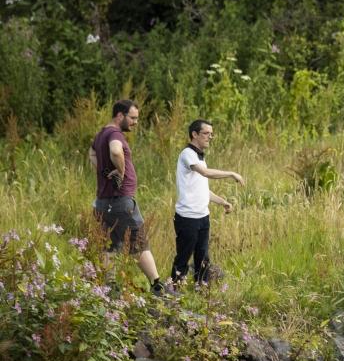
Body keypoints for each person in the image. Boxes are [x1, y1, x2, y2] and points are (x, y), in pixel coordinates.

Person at [89, 99, 168, 296]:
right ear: (120, 116)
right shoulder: (115, 134)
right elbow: (116, 150)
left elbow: (91, 153)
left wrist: (103, 172)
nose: (135, 122)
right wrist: (121, 172)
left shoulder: (101, 134)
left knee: (109, 246)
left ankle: (110, 289)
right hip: (120, 200)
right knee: (139, 242)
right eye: (132, 118)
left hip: (103, 201)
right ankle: (157, 287)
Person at [170, 119, 244, 286]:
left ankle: (201, 290)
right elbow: (205, 173)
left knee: (203, 258)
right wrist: (231, 173)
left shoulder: (199, 158)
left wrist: (222, 202)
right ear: (194, 134)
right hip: (188, 218)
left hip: (203, 217)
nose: (210, 137)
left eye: (211, 134)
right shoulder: (187, 154)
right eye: (206, 133)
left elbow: (202, 189)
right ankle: (173, 292)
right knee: (183, 258)